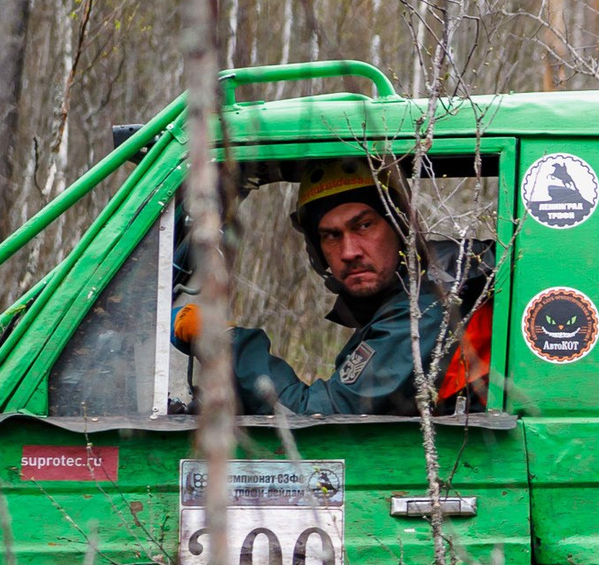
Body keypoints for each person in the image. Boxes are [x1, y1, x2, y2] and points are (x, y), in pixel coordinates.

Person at [174, 159, 483, 416]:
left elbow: (319, 419)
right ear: (317, 249)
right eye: (331, 235)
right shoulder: (405, 300)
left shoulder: (432, 302)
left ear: (401, 229)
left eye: (364, 226)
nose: (349, 251)